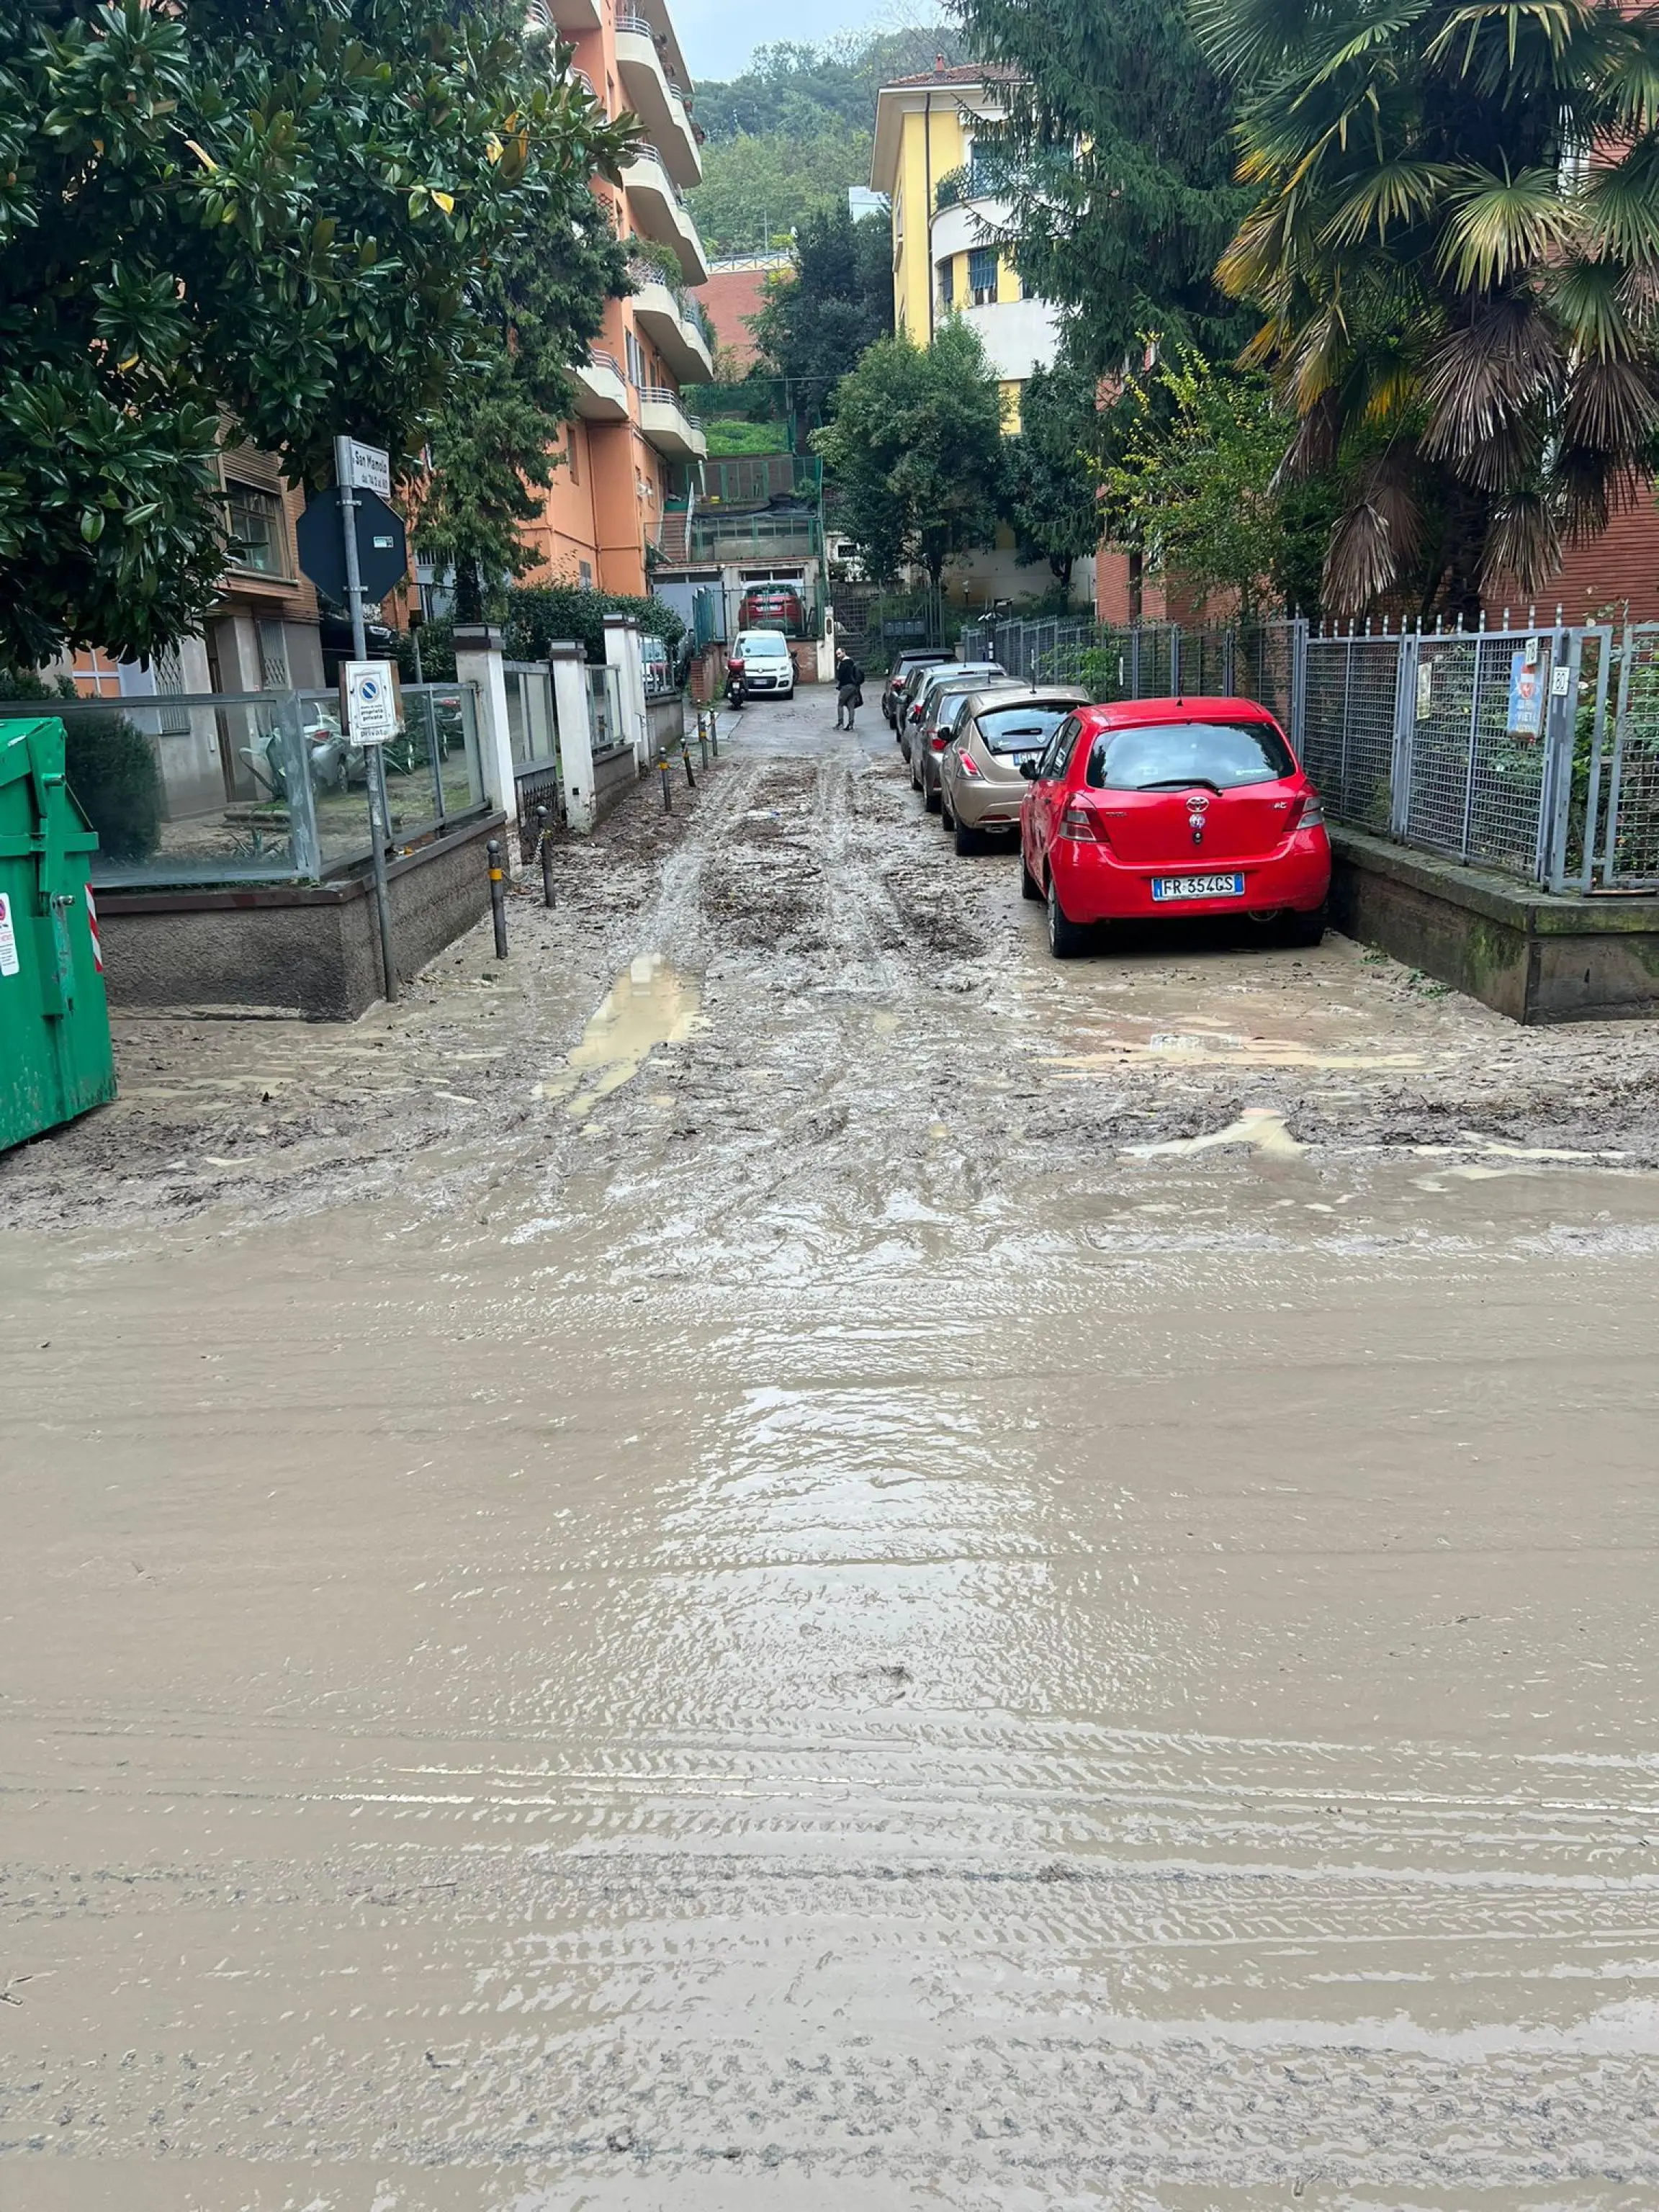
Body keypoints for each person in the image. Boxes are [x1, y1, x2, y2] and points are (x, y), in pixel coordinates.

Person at [834, 647, 864, 731]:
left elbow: (839, 677)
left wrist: (838, 668)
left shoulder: (843, 664)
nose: (838, 656)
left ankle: (840, 723)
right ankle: (851, 725)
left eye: (839, 654)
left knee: (840, 704)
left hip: (846, 687)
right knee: (851, 706)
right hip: (854, 687)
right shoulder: (852, 662)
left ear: (844, 653)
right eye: (837, 654)